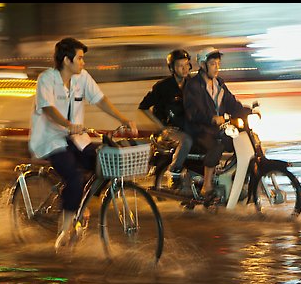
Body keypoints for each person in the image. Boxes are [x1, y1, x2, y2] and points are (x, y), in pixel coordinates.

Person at [28, 37, 138, 250]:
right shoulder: (46, 79)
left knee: (105, 160)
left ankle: (79, 203)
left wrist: (122, 119)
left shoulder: (82, 78)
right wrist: (68, 124)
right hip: (51, 139)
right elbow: (48, 109)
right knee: (74, 176)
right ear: (67, 60)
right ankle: (64, 231)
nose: (83, 62)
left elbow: (100, 99)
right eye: (80, 58)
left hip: (76, 138)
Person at [183, 46, 251, 198]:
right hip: (199, 130)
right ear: (202, 65)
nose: (217, 67)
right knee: (216, 145)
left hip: (217, 128)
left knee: (241, 140)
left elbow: (231, 103)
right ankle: (207, 186)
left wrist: (247, 111)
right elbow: (193, 112)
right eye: (213, 63)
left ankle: (236, 179)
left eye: (218, 64)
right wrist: (212, 119)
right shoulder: (193, 85)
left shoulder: (219, 84)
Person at [138, 49, 193, 188]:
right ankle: (173, 171)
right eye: (180, 65)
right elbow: (143, 107)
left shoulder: (192, 84)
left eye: (187, 65)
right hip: (169, 130)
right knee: (186, 141)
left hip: (186, 126)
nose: (185, 68)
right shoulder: (163, 87)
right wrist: (162, 128)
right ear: (172, 68)